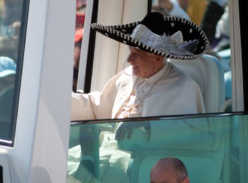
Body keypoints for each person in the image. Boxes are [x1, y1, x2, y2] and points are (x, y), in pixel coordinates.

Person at [71, 12, 208, 120]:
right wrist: (65, 100)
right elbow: (97, 107)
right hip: (109, 153)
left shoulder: (183, 88)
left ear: (158, 57)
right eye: (130, 52)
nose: (129, 60)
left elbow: (184, 136)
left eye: (136, 54)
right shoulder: (127, 76)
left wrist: (147, 131)